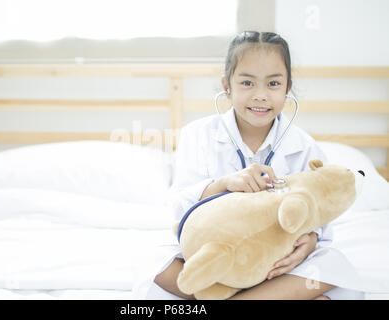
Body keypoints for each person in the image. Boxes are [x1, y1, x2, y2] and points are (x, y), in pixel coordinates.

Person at [132, 31, 363, 300]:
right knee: (156, 262)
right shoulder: (198, 135)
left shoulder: (304, 146)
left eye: (273, 83)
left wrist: (309, 242)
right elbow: (179, 205)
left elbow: (323, 209)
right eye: (247, 83)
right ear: (227, 86)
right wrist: (223, 184)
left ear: (288, 88)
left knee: (335, 267)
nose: (261, 95)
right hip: (215, 252)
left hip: (275, 257)